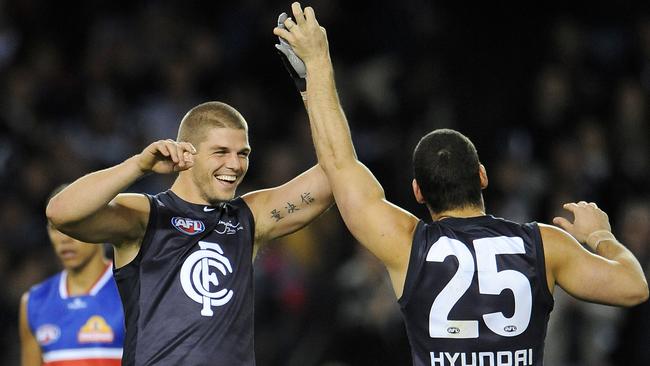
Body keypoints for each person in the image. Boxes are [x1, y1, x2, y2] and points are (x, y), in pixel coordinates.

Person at [274, 3, 649, 365]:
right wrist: (601, 235)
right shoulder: (545, 245)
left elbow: (340, 166)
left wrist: (318, 67)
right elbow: (634, 287)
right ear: (482, 177)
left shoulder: (407, 245)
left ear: (418, 192)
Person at [46, 101, 333, 365]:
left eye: (242, 153)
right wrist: (137, 166)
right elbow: (61, 212)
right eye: (221, 152)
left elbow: (336, 171)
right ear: (187, 152)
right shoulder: (147, 216)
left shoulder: (249, 218)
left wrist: (315, 75)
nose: (235, 164)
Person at [20, 185, 125, 366]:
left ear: (100, 224)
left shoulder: (133, 291)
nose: (64, 238)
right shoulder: (33, 303)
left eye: (74, 225)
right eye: (55, 228)